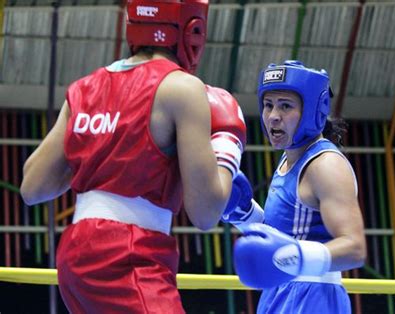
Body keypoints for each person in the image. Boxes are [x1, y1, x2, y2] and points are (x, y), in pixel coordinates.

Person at [20, 0, 246, 312]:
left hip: (75, 256)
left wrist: (105, 142)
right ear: (191, 27)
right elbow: (206, 213)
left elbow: (32, 187)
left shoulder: (86, 88)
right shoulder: (182, 88)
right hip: (128, 254)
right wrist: (228, 145)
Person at [222, 60, 366, 313]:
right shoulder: (288, 161)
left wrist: (291, 257)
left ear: (312, 110)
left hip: (314, 297)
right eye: (268, 105)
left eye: (285, 106)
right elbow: (286, 237)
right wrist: (245, 215)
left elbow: (354, 248)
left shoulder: (325, 164)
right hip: (277, 293)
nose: (274, 116)